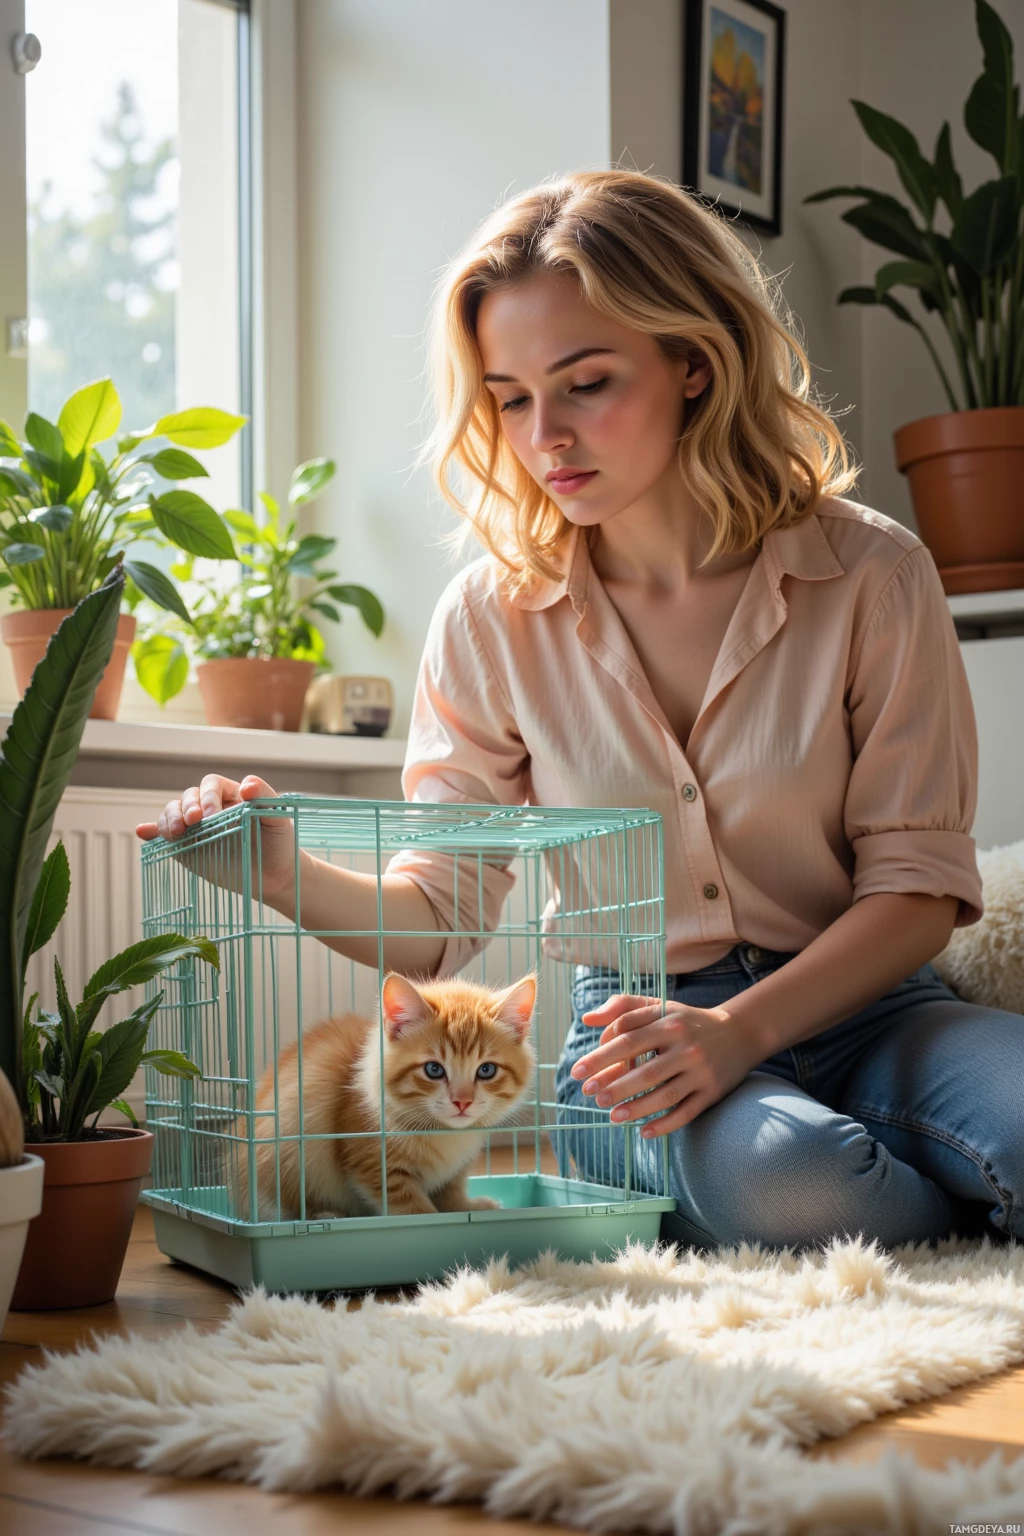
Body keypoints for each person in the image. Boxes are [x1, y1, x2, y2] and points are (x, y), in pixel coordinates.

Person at [138, 169, 1022, 1253]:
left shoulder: (874, 575)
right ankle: (956, 1207)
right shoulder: (488, 616)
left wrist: (740, 1032)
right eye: (509, 397)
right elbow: (442, 916)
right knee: (799, 1191)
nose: (542, 434)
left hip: (877, 1011)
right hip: (630, 1041)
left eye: (586, 382)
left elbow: (917, 890)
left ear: (693, 364)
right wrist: (278, 876)